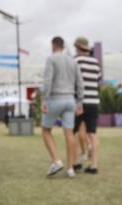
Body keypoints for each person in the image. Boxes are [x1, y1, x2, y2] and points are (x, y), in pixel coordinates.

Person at [41, 36, 84, 178]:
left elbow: (48, 82)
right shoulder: (73, 61)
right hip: (70, 101)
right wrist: (79, 102)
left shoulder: (51, 59)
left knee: (46, 130)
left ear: (53, 46)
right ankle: (70, 168)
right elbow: (80, 84)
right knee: (69, 133)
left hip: (55, 99)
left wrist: (44, 100)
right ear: (64, 46)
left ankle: (56, 161)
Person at [72, 37, 101, 174]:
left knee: (74, 132)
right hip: (94, 102)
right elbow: (98, 80)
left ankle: (77, 162)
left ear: (77, 48)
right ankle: (94, 165)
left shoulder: (76, 61)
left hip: (79, 102)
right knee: (93, 133)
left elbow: (73, 82)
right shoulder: (96, 63)